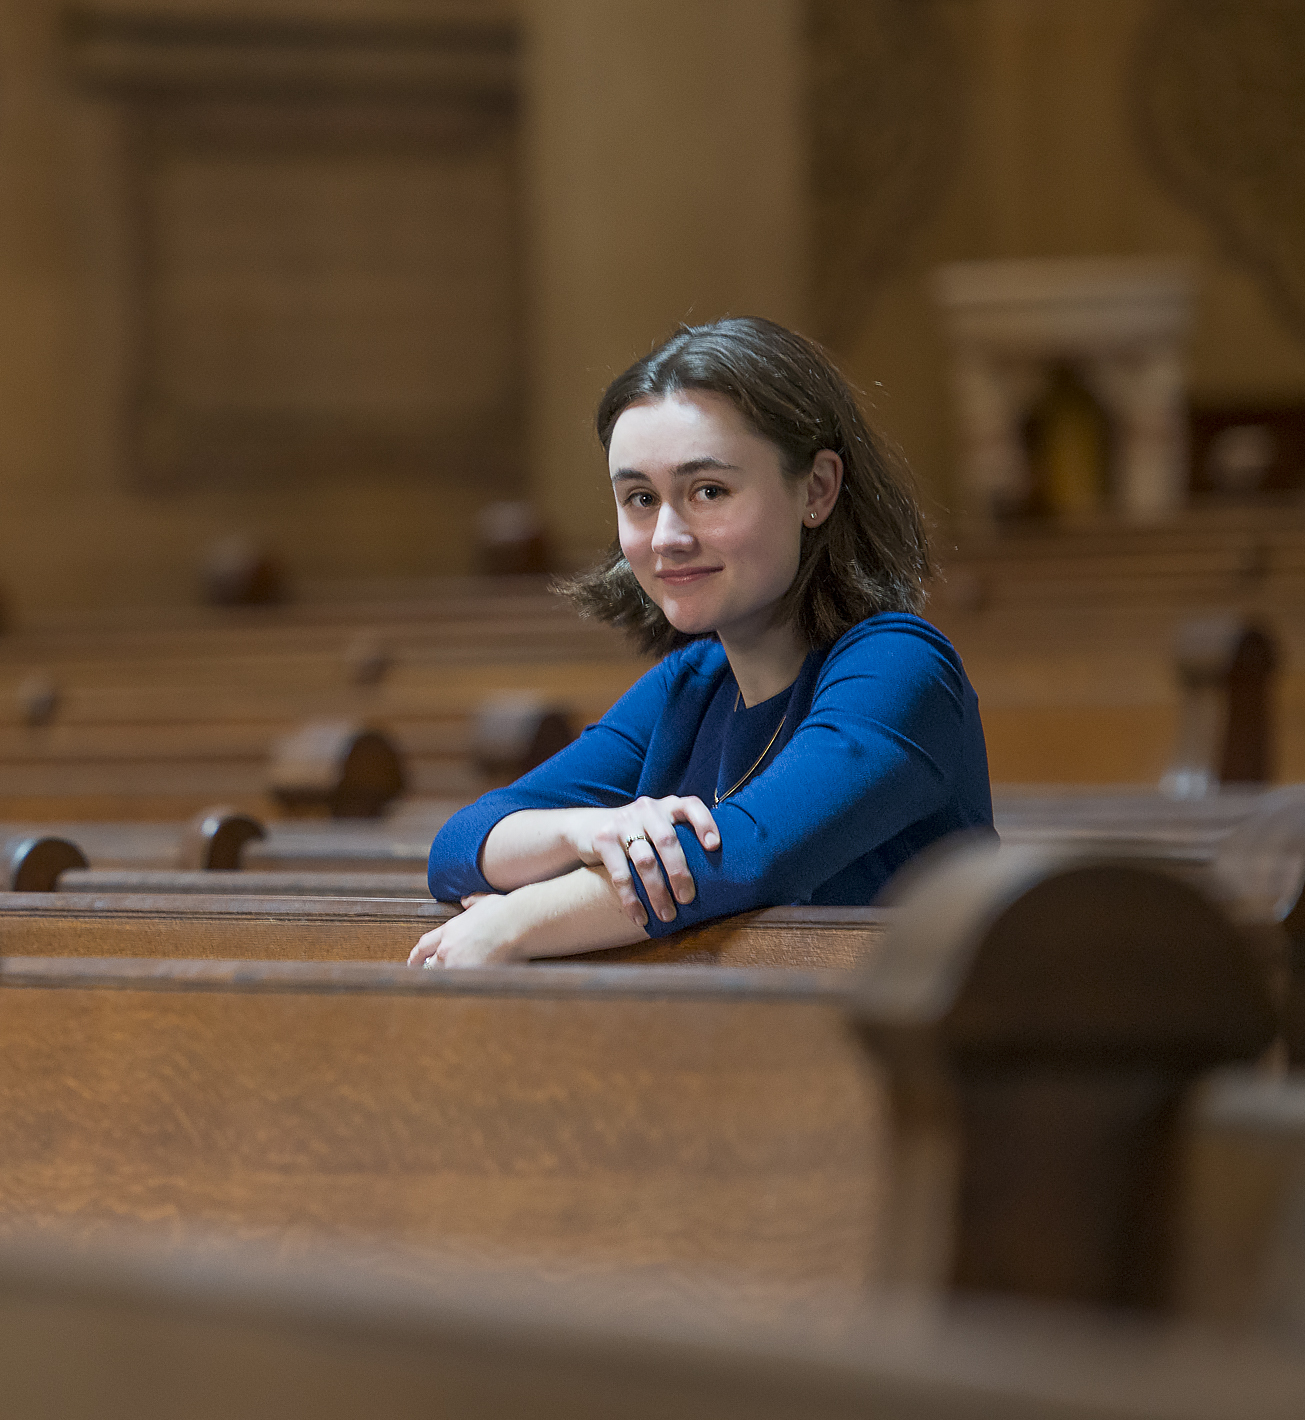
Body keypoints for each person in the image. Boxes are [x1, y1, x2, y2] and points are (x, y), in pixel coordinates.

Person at [410, 317, 991, 968]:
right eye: (638, 498)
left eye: (707, 490)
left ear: (817, 489)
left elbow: (745, 854)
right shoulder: (689, 683)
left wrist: (513, 922)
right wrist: (586, 829)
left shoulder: (899, 663)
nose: (665, 538)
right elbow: (459, 847)